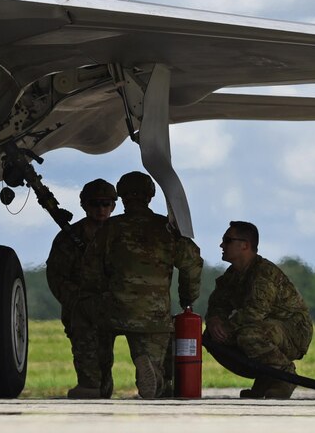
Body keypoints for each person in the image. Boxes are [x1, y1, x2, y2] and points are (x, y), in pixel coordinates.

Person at [79, 171, 203, 399]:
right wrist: (187, 297)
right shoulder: (168, 230)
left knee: (89, 322)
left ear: (122, 198)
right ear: (151, 195)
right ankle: (148, 369)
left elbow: (90, 270)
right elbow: (192, 264)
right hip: (154, 315)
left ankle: (98, 382)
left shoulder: (110, 228)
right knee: (156, 371)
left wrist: (98, 296)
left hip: (115, 309)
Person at [204, 221, 313, 399]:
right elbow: (218, 303)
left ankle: (285, 375)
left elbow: (255, 313)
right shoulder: (233, 275)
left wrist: (227, 329)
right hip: (265, 328)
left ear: (245, 245)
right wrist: (215, 320)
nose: (221, 245)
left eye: (227, 240)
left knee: (249, 335)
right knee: (211, 337)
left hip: (293, 330)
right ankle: (266, 377)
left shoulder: (264, 274)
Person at [46, 179, 117, 399]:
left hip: (113, 304)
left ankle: (100, 389)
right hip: (81, 308)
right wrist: (79, 302)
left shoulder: (120, 235)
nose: (101, 209)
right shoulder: (68, 238)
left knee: (104, 357)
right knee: (86, 350)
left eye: (106, 204)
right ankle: (89, 386)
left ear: (114, 206)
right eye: (95, 204)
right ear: (85, 205)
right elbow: (57, 276)